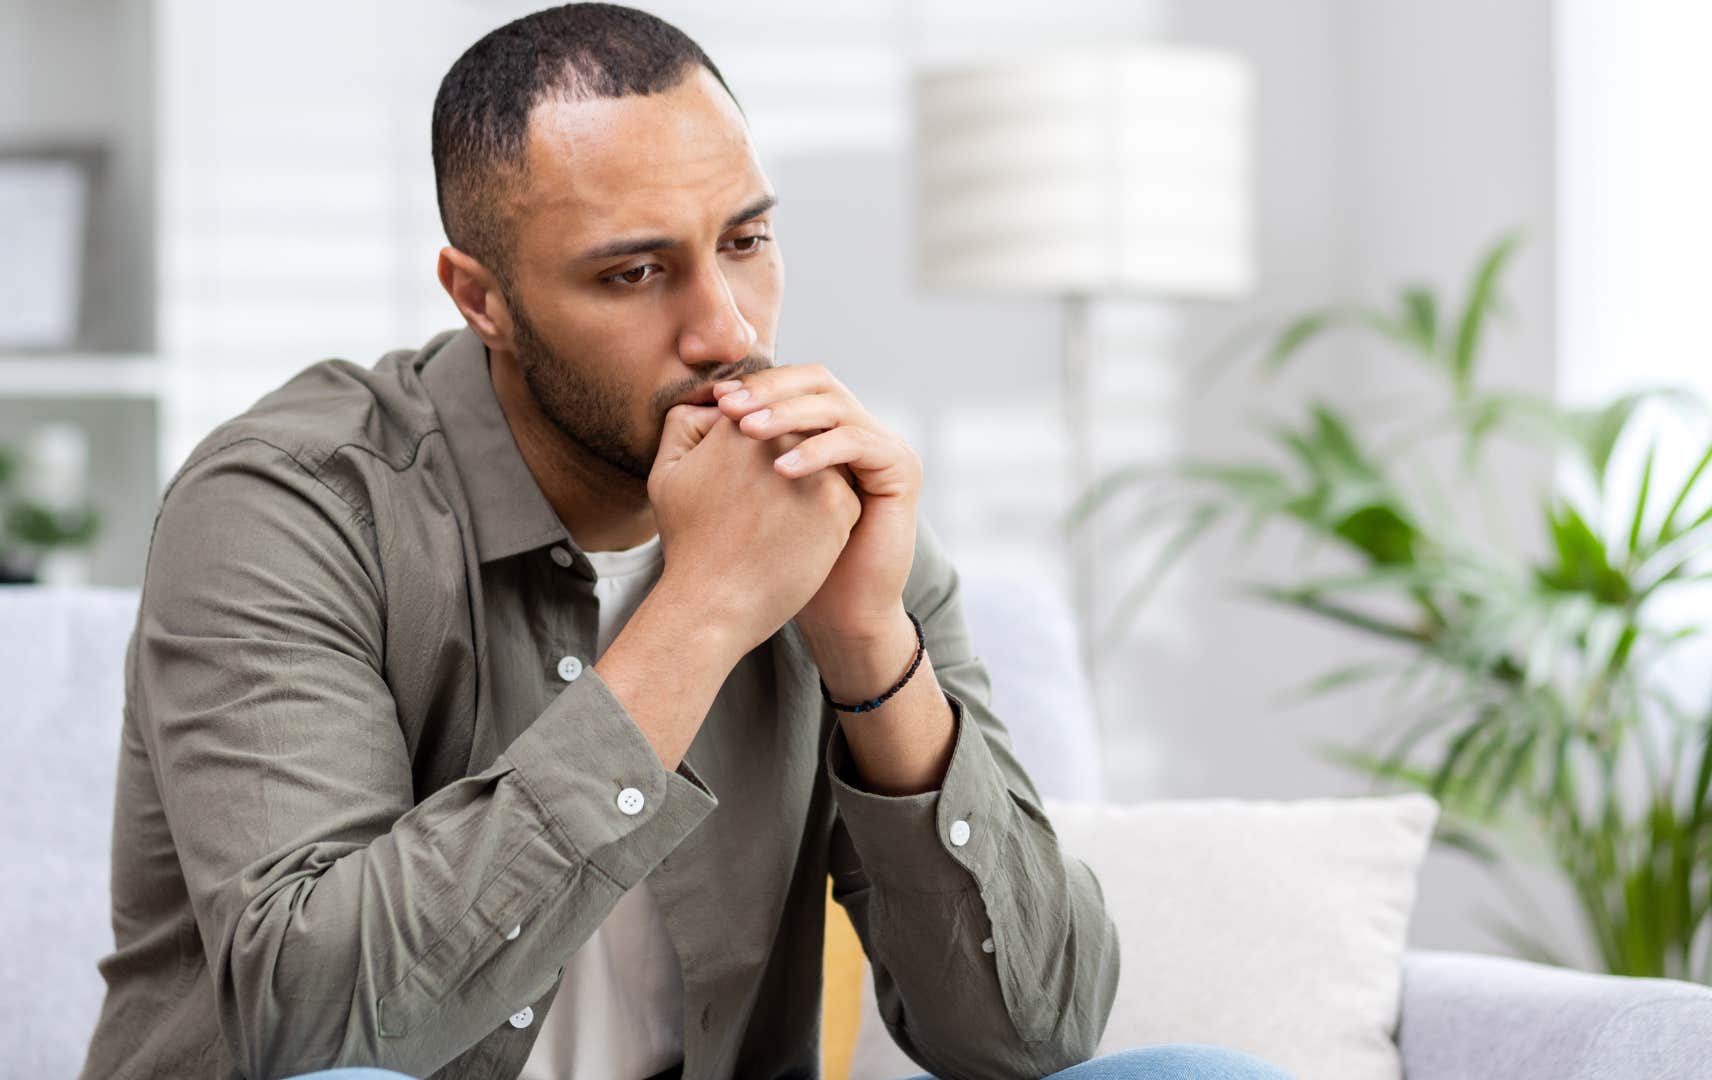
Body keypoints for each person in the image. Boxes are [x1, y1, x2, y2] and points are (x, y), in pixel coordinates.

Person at [79, 4, 1294, 1078]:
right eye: (634, 273)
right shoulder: (293, 503)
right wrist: (704, 611)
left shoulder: (828, 506)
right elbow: (323, 1024)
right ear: (480, 296)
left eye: (747, 242)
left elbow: (1033, 1039)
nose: (725, 329)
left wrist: (871, 643)